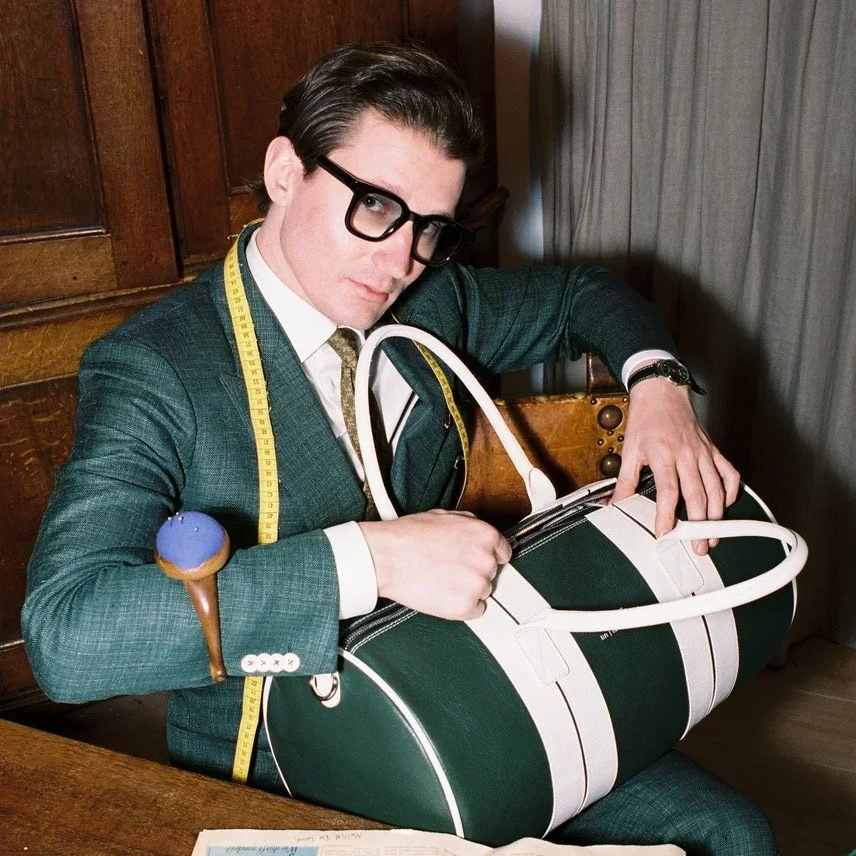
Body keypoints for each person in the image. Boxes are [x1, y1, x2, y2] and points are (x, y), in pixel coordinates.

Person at [23, 42, 773, 855]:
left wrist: (658, 386)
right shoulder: (159, 368)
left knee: (726, 833)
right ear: (285, 172)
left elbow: (581, 294)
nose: (399, 259)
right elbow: (66, 639)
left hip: (474, 685)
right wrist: (366, 561)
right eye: (375, 205)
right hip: (289, 759)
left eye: (430, 229)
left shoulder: (429, 300)